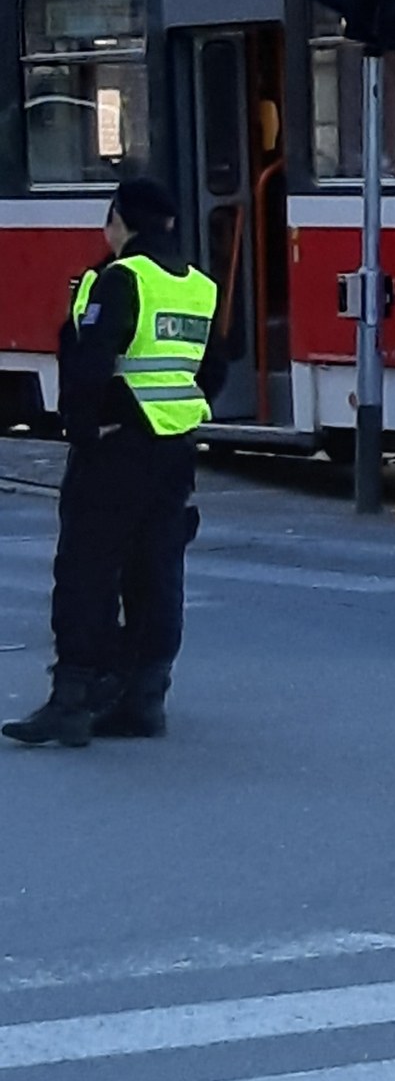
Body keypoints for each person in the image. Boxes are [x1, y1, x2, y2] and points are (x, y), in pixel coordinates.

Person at [6, 179, 222, 748]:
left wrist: (82, 427)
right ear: (171, 225)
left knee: (86, 570)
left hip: (116, 450)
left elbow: (89, 362)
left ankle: (72, 701)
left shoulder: (119, 279)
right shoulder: (199, 288)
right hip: (174, 451)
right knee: (157, 570)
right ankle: (144, 698)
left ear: (118, 220)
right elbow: (213, 369)